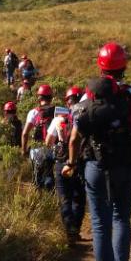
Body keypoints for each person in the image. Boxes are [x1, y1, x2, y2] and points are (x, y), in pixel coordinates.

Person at [61, 41, 131, 261]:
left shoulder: (87, 98)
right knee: (122, 218)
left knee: (100, 224)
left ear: (100, 66)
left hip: (95, 167)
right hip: (125, 166)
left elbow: (74, 139)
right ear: (124, 66)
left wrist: (71, 162)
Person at [47, 85, 86, 243]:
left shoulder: (59, 119)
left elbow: (48, 140)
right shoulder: (84, 117)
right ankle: (75, 230)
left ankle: (69, 230)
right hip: (79, 162)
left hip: (62, 161)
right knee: (78, 198)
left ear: (68, 102)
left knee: (64, 198)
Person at [21, 84, 69, 189]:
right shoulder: (59, 110)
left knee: (37, 177)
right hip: (54, 148)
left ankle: (39, 197)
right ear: (51, 97)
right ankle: (50, 193)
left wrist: (24, 150)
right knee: (50, 174)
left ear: (39, 97)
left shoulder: (33, 112)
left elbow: (25, 133)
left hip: (37, 149)